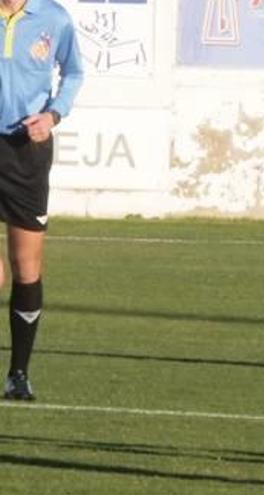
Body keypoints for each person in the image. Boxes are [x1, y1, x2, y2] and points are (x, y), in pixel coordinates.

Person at [0, 0, 83, 400]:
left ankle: (18, 373)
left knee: (26, 266)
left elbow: (74, 72)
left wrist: (53, 115)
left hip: (26, 152)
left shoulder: (54, 18)